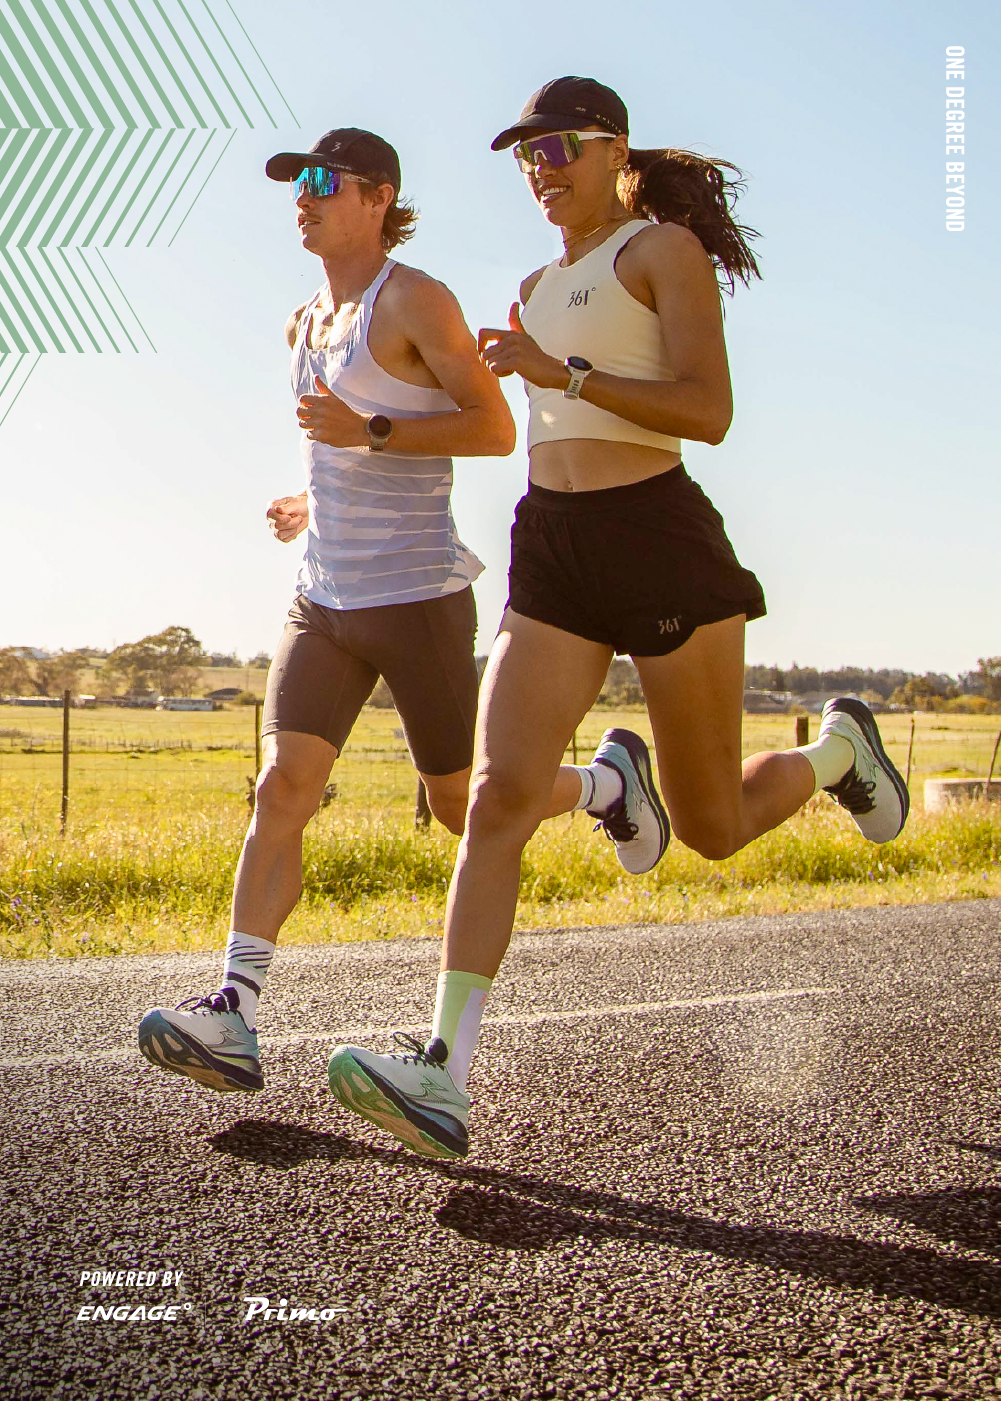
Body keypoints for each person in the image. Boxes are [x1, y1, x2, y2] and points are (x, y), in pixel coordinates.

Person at [326, 79, 910, 1161]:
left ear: (611, 149)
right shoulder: (534, 280)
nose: (538, 168)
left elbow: (707, 410)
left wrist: (564, 372)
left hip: (655, 536)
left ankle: (834, 754)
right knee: (495, 796)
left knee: (711, 829)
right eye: (523, 156)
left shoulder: (657, 254)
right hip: (551, 542)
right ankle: (443, 1073)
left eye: (554, 148)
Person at [138, 124, 667, 1096]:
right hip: (323, 597)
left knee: (462, 804)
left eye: (318, 180)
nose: (299, 196)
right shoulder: (302, 320)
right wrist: (310, 496)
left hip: (417, 596)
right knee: (282, 786)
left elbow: (494, 426)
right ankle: (235, 1010)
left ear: (377, 195)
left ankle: (604, 787)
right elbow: (332, 445)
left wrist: (371, 428)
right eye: (292, 183)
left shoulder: (417, 298)